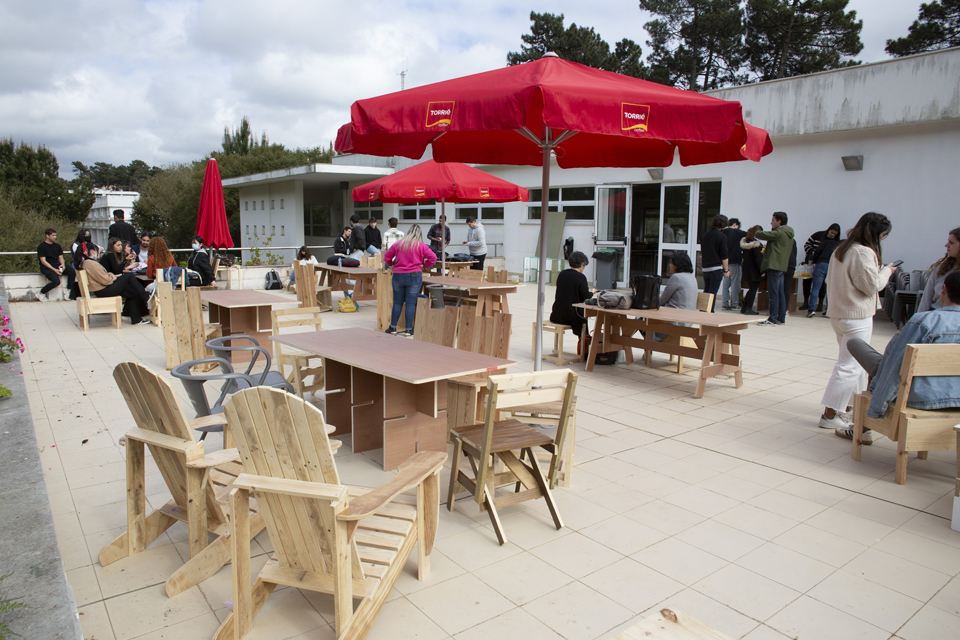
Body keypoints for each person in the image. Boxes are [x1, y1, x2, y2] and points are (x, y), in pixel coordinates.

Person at [834, 271, 960, 443]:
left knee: (860, 348)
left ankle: (862, 429)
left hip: (920, 397)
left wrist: (877, 406)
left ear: (943, 290)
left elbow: (895, 366)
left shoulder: (923, 321)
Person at [818, 212, 896, 430]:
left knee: (856, 365)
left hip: (840, 314)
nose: (882, 240)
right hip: (856, 316)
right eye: (883, 236)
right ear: (874, 233)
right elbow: (872, 286)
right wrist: (887, 271)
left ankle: (850, 408)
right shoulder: (862, 252)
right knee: (849, 366)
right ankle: (829, 415)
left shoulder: (842, 249)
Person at [78, 242, 151, 324]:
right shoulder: (91, 264)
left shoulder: (87, 263)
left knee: (132, 292)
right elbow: (105, 280)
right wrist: (111, 277)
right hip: (103, 290)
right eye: (98, 251)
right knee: (129, 276)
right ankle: (146, 296)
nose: (99, 253)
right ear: (92, 251)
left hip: (101, 289)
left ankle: (136, 319)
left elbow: (100, 276)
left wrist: (109, 274)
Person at [383, 225, 436, 336]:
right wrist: (425, 265)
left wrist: (391, 265)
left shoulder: (399, 244)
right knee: (410, 303)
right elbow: (433, 258)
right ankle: (408, 330)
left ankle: (392, 327)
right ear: (420, 234)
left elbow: (387, 256)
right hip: (414, 275)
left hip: (398, 274)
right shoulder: (422, 246)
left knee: (397, 302)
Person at [755, 212, 795, 326]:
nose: (771, 223)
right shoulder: (788, 233)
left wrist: (755, 231)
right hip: (781, 266)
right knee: (780, 293)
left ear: (779, 221)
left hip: (774, 265)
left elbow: (761, 234)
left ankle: (772, 319)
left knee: (773, 294)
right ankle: (781, 318)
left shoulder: (779, 233)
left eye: (773, 220)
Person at [653, 252, 699, 341]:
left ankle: (650, 346)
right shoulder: (692, 277)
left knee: (642, 320)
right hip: (688, 321)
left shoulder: (676, 277)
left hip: (675, 321)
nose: (669, 265)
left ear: (677, 264)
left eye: (671, 262)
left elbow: (661, 301)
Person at [550, 251, 591, 345]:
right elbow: (586, 298)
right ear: (582, 265)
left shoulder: (562, 274)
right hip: (571, 316)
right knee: (583, 318)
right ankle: (584, 344)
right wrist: (592, 293)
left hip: (557, 314)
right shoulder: (581, 277)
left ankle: (584, 343)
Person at [918, 227, 960, 312]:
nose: (946, 245)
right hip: (937, 313)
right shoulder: (943, 268)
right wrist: (921, 316)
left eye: (951, 243)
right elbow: (927, 297)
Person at [801, 224, 840, 311]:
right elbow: (806, 245)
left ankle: (819, 304)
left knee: (820, 286)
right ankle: (806, 302)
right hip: (812, 262)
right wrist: (813, 253)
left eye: (835, 234)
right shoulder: (818, 235)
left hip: (820, 263)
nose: (832, 235)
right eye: (832, 232)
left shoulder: (834, 241)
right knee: (807, 282)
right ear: (829, 230)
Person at [699, 214, 729, 312]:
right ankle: (710, 311)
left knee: (707, 291)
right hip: (716, 268)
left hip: (706, 267)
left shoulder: (705, 235)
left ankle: (703, 310)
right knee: (713, 293)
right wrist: (726, 270)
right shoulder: (722, 236)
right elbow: (724, 255)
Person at [36, 228, 76, 302]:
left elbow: (61, 257)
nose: (55, 237)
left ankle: (68, 291)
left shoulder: (57, 246)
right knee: (56, 281)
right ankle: (41, 293)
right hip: (46, 267)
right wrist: (54, 270)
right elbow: (43, 261)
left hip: (56, 265)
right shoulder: (41, 246)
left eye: (55, 235)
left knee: (72, 271)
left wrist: (63, 265)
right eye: (53, 235)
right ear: (47, 236)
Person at [721, 218, 747, 310]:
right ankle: (735, 303)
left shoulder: (723, 232)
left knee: (726, 284)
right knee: (735, 284)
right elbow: (749, 235)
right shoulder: (737, 232)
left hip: (725, 262)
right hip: (735, 261)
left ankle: (724, 303)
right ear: (736, 225)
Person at [740, 226, 764, 315]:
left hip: (746, 268)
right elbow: (758, 259)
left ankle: (744, 307)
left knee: (751, 289)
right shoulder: (756, 245)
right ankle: (749, 309)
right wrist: (762, 270)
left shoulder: (745, 243)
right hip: (754, 270)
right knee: (753, 289)